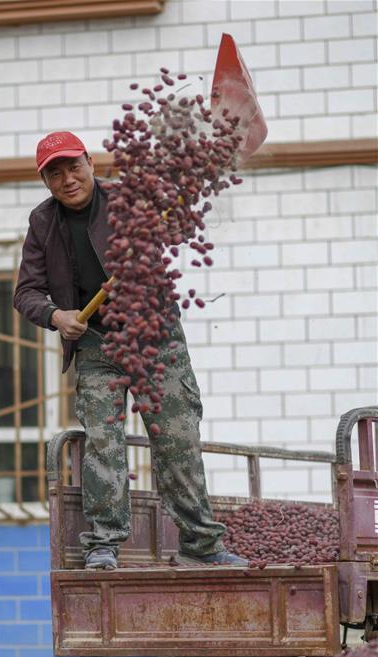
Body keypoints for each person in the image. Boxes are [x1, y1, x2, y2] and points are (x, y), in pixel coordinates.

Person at [13, 131, 247, 570]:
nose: (68, 180)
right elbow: (26, 292)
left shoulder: (128, 199)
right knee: (104, 443)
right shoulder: (42, 222)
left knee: (177, 438)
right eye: (55, 173)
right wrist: (57, 316)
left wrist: (179, 202)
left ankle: (200, 542)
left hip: (154, 338)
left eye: (73, 167)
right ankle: (103, 544)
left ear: (90, 163)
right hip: (97, 345)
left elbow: (178, 227)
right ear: (46, 181)